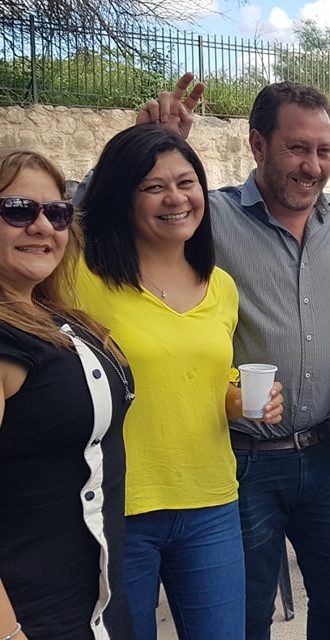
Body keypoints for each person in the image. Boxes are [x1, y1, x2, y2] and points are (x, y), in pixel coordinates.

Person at [136, 74, 330, 639]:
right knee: (244, 619)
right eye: (297, 148)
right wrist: (140, 152)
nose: (312, 165)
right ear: (257, 144)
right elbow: (93, 230)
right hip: (241, 463)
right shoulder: (208, 220)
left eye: (323, 150)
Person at [75, 125, 284, 640]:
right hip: (118, 509)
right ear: (122, 197)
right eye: (153, 187)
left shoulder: (221, 286)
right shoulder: (79, 275)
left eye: (187, 182)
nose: (176, 198)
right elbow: (46, 222)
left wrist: (239, 400)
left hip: (211, 500)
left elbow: (204, 373)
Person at [0, 150, 134, 639]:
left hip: (98, 604)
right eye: (17, 210)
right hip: (37, 619)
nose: (42, 226)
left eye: (56, 213)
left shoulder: (61, 319)